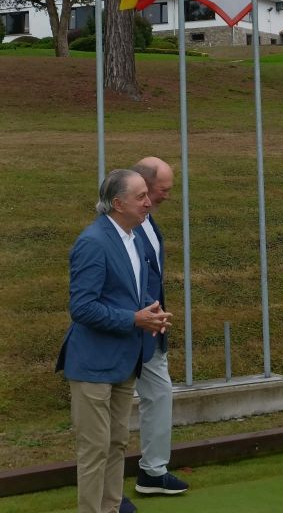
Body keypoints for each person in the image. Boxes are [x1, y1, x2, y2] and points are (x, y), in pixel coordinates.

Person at [56, 169, 172, 513]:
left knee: (117, 442)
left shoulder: (134, 238)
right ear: (118, 203)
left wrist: (148, 311)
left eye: (147, 195)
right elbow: (82, 307)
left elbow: (126, 293)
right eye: (140, 197)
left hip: (125, 359)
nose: (149, 202)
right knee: (94, 448)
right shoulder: (92, 242)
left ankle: (110, 507)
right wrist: (134, 319)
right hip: (93, 364)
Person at [128, 157, 189, 499]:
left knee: (160, 393)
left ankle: (152, 471)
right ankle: (105, 491)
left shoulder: (147, 219)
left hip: (152, 325)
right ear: (144, 186)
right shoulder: (123, 224)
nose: (167, 195)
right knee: (115, 406)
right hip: (129, 327)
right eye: (163, 189)